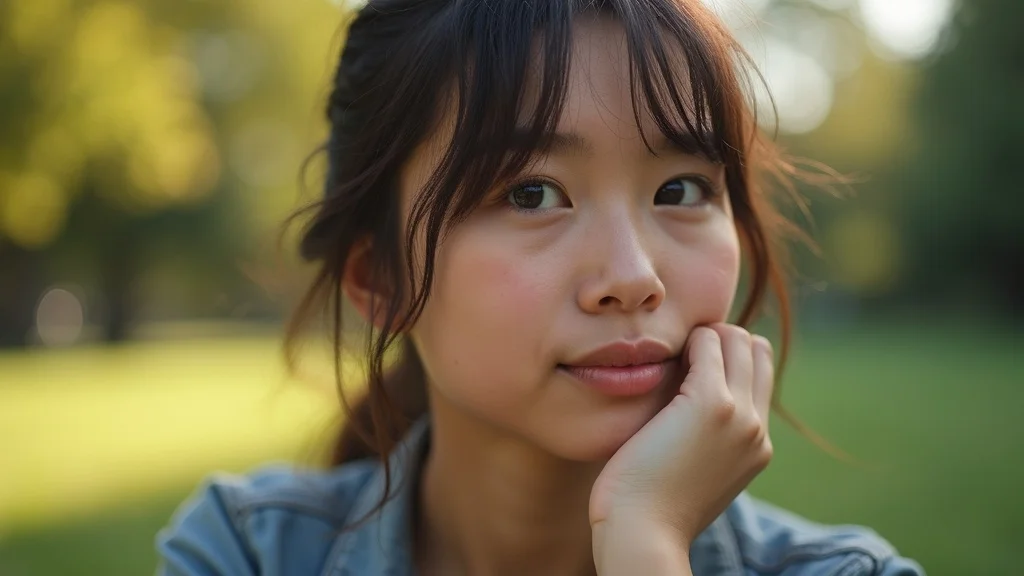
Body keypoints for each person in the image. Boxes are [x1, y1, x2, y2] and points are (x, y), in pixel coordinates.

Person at [156, 0, 925, 574]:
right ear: (379, 281)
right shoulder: (248, 550)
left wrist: (646, 543)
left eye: (683, 189)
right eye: (530, 194)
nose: (632, 278)